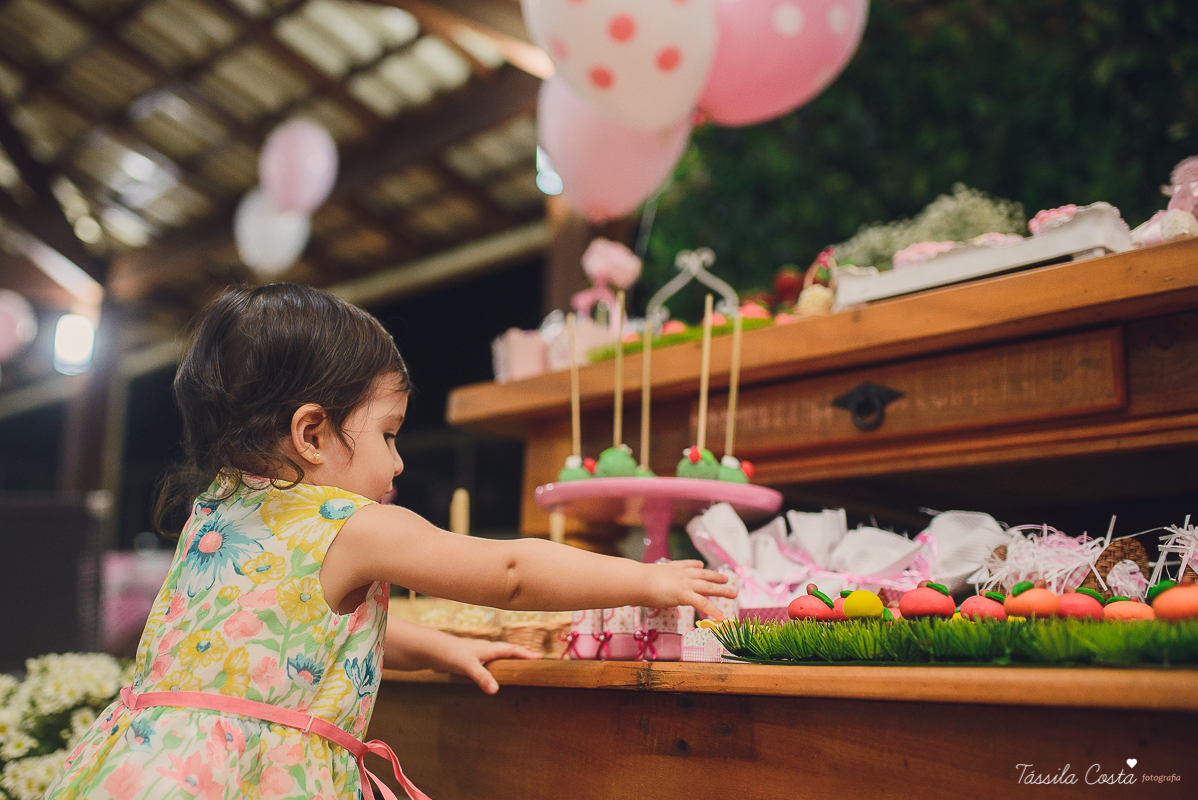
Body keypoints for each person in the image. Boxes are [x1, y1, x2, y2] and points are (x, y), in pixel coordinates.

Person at [45, 284, 734, 800]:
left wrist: (434, 647)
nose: (399, 462)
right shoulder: (351, 524)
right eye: (389, 433)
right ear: (312, 435)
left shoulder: (219, 516)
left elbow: (280, 636)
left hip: (149, 765)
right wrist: (648, 581)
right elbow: (512, 569)